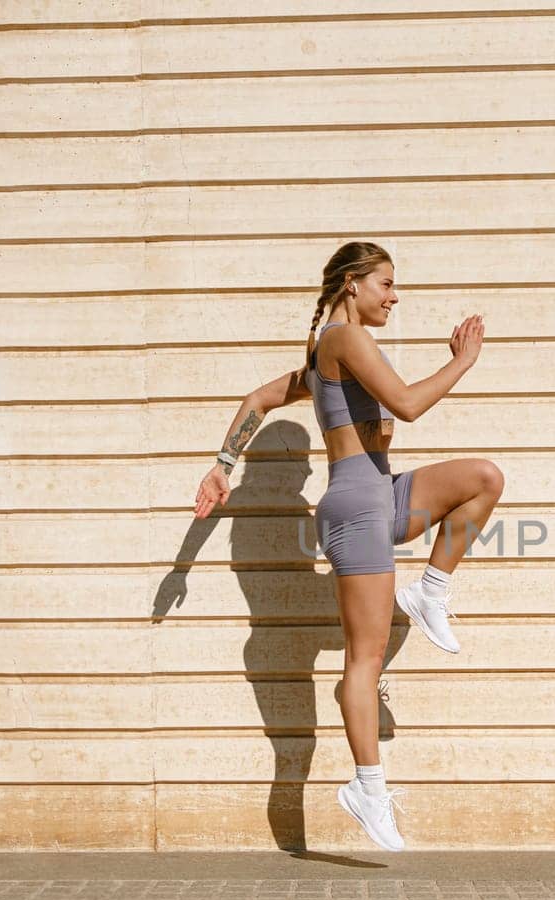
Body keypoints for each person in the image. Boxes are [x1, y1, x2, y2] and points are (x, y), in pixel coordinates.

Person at [192, 242, 504, 851]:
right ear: (353, 284)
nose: (395, 296)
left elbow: (258, 399)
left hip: (381, 493)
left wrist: (223, 465)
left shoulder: (324, 353)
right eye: (386, 283)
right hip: (358, 507)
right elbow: (408, 405)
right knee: (363, 658)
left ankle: (430, 589)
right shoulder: (344, 339)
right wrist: (464, 361)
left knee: (483, 478)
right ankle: (367, 787)